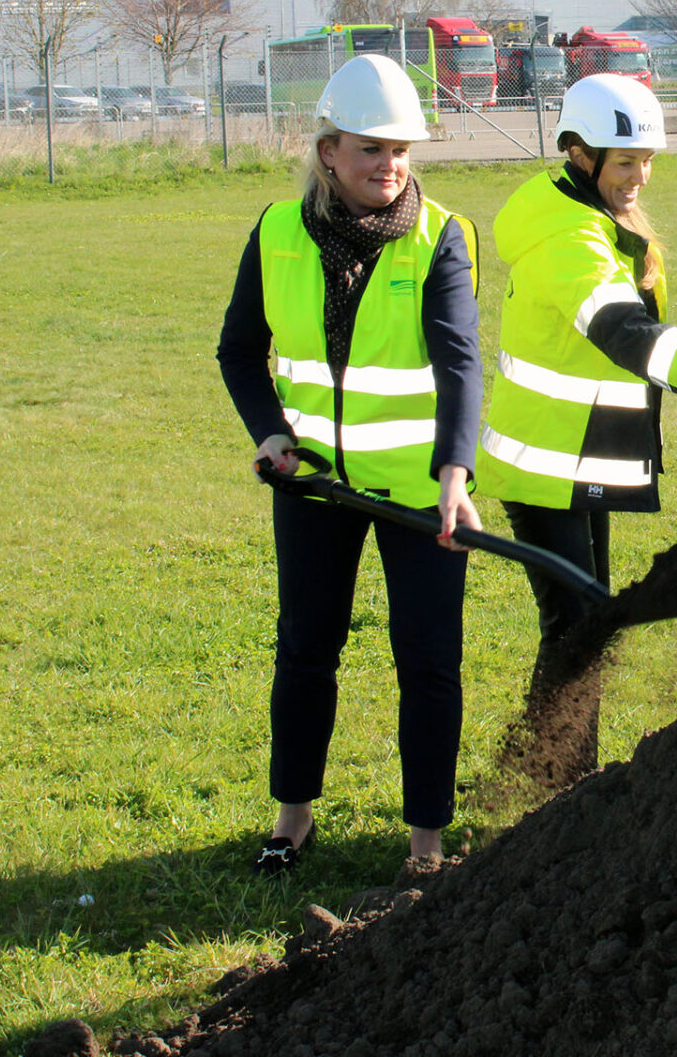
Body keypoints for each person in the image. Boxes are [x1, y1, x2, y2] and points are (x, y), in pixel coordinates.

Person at [217, 53, 483, 872]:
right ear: (328, 150)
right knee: (305, 649)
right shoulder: (275, 232)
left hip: (415, 494)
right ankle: (292, 819)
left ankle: (425, 844)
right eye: (371, 149)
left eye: (400, 149)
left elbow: (461, 365)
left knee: (429, 662)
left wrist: (453, 477)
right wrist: (269, 432)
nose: (389, 166)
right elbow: (238, 353)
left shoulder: (440, 237)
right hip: (313, 487)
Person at [477, 73, 677, 680]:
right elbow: (625, 333)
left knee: (585, 622)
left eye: (646, 162)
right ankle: (554, 770)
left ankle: (567, 771)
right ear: (579, 155)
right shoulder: (568, 235)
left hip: (575, 457)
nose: (638, 179)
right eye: (625, 164)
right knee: (577, 626)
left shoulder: (589, 215)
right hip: (542, 464)